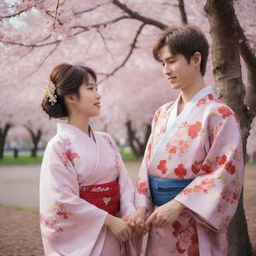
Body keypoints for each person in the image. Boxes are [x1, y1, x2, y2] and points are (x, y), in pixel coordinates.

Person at [128, 25, 244, 256]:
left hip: (194, 221)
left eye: (171, 61)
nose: (166, 70)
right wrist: (141, 206)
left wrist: (180, 204)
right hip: (160, 220)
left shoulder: (220, 114)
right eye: (162, 63)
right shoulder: (162, 113)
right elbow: (146, 167)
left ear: (195, 59)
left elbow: (224, 173)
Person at [40, 63, 139, 256]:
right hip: (89, 237)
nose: (98, 94)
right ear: (70, 97)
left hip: (116, 230)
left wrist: (129, 214)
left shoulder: (107, 140)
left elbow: (124, 184)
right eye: (91, 88)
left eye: (97, 88)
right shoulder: (58, 146)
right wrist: (108, 220)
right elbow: (60, 199)